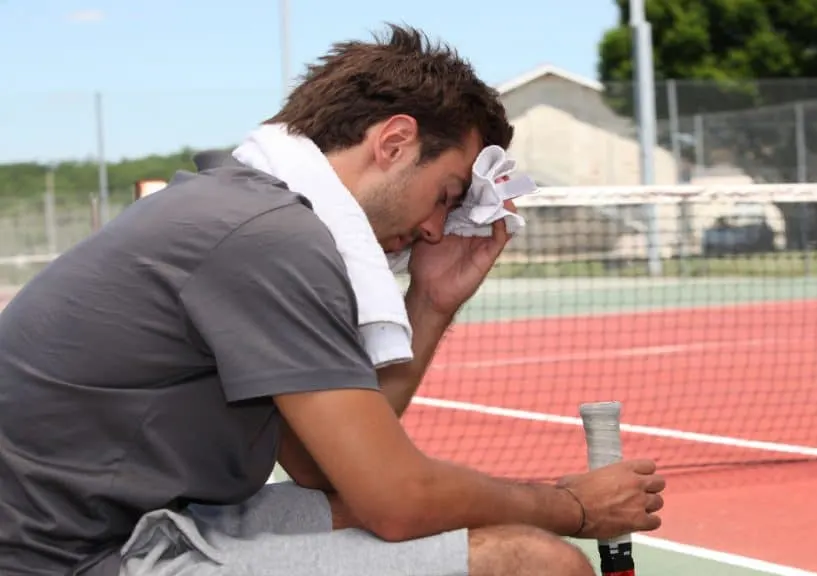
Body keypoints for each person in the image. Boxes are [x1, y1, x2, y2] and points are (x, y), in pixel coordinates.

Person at [0, 24, 665, 576]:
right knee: (534, 561)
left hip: (123, 525)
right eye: (446, 192)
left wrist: (430, 302)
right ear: (394, 142)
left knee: (496, 525)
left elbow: (327, 470)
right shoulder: (269, 238)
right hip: (65, 558)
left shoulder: (246, 206)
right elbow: (395, 501)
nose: (438, 228)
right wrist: (571, 507)